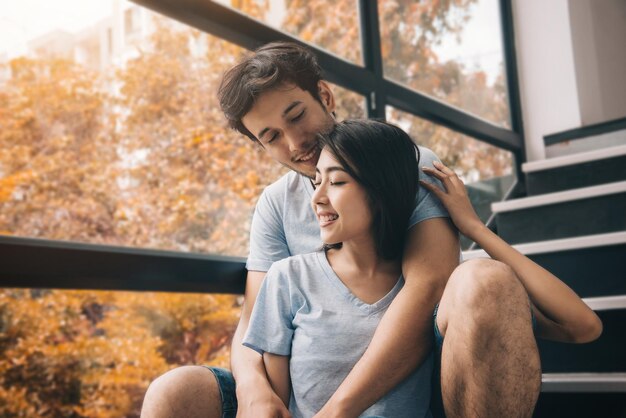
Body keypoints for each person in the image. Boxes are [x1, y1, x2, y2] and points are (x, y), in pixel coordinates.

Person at [140, 42, 602, 418]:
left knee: (486, 280)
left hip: (417, 377)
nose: (294, 143)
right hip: (308, 385)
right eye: (271, 136)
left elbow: (428, 290)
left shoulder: (405, 166)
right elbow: (253, 325)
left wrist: (338, 411)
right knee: (175, 392)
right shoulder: (276, 206)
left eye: (296, 116)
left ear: (325, 95)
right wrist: (254, 391)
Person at [243, 119, 433, 417]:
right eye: (317, 182)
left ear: (381, 189)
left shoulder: (422, 294)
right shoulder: (288, 278)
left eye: (337, 182)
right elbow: (277, 403)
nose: (317, 198)